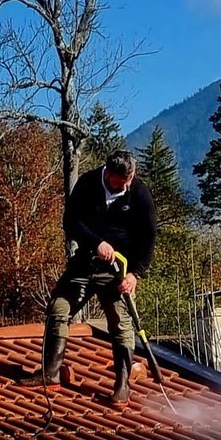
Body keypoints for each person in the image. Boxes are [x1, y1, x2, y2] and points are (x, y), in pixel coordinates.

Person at [41, 150, 157, 404]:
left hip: (119, 270)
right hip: (85, 263)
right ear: (109, 173)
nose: (125, 184)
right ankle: (49, 376)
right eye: (120, 180)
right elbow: (71, 222)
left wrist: (136, 274)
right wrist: (96, 243)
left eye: (129, 178)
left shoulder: (139, 194)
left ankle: (122, 386)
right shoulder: (87, 183)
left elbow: (148, 238)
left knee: (121, 325)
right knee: (58, 310)